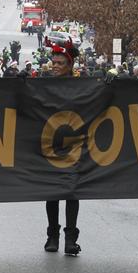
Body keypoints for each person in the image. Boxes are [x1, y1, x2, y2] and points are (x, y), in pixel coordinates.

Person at [44, 38, 82, 256]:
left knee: (71, 193)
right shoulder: (44, 85)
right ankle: (52, 236)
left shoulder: (80, 86)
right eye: (54, 62)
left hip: (74, 146)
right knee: (52, 192)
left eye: (60, 63)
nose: (56, 66)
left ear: (70, 66)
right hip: (49, 145)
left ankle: (70, 239)